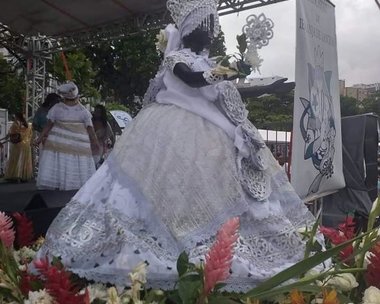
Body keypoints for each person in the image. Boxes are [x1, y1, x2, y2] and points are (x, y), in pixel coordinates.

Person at [35, 0, 318, 290]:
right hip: (172, 127)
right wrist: (231, 68)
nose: (211, 31)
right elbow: (193, 80)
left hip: (215, 131)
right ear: (188, 28)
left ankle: (225, 244)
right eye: (205, 25)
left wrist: (257, 80)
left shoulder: (210, 62)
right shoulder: (176, 58)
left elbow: (226, 87)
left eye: (213, 24)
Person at [35, 82, 99, 190]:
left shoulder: (58, 108)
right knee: (72, 161)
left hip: (60, 142)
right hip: (74, 143)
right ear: (77, 96)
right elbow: (90, 128)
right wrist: (95, 142)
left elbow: (49, 125)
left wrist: (39, 138)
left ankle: (59, 183)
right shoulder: (83, 111)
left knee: (61, 160)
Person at [3, 112, 33, 181]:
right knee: (25, 160)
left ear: (16, 116)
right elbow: (30, 135)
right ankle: (24, 176)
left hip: (18, 144)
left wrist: (7, 137)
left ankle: (16, 176)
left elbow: (11, 133)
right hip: (26, 145)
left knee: (16, 159)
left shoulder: (16, 124)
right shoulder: (28, 125)